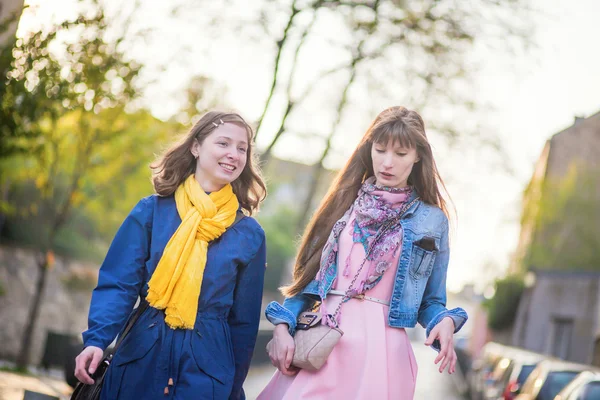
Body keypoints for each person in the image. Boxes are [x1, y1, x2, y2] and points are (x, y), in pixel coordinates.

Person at [259, 106, 468, 399]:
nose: (387, 162)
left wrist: (444, 320)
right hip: (323, 341)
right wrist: (282, 326)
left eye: (400, 154)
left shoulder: (432, 221)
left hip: (382, 352)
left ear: (418, 155)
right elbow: (309, 282)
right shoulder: (343, 203)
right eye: (380, 150)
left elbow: (430, 301)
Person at [74, 111, 267, 399]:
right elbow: (120, 283)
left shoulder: (249, 234)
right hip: (142, 353)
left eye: (242, 148)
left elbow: (244, 323)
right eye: (224, 143)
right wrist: (97, 340)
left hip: (207, 369)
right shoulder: (151, 211)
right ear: (196, 147)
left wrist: (234, 386)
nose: (234, 155)